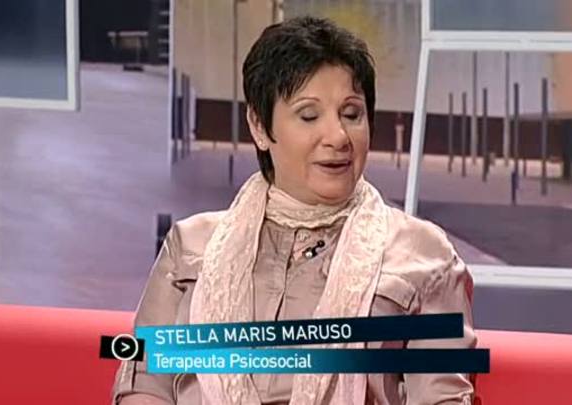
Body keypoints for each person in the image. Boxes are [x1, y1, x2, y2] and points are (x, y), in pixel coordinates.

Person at [112, 16, 476, 405]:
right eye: (309, 116)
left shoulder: (424, 255)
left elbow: (443, 399)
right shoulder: (190, 246)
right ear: (259, 126)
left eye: (352, 114)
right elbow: (144, 387)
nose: (338, 137)